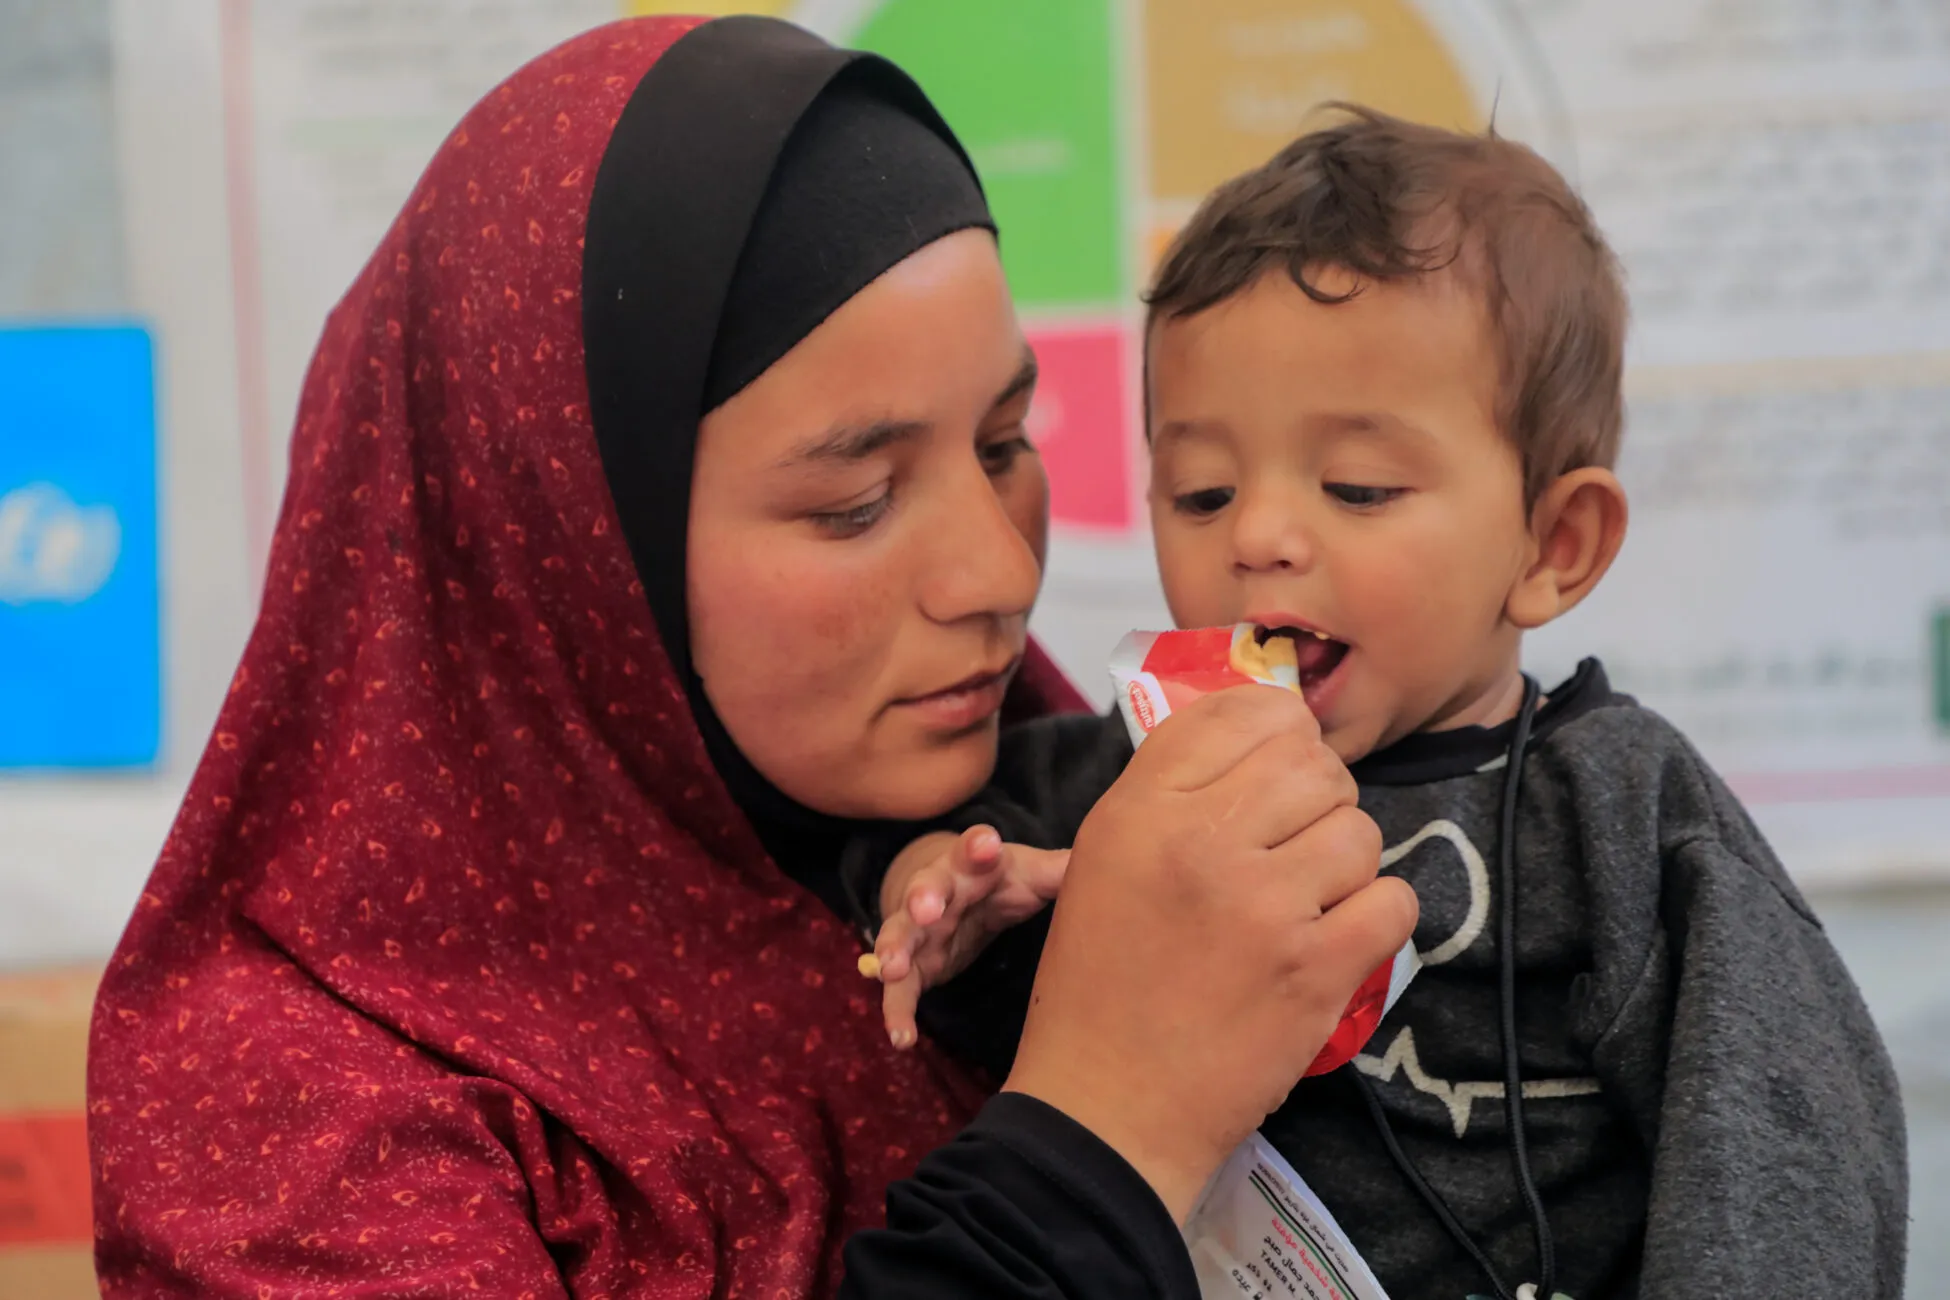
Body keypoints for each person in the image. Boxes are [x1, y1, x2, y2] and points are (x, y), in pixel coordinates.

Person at [85, 17, 1417, 1300]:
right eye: (854, 502)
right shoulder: (292, 1109)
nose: (1003, 576)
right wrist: (1109, 1123)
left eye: (1006, 443)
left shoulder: (1022, 847)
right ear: (566, 551)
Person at [856, 108, 1909, 1300]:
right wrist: (941, 890)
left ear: (1553, 543)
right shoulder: (1128, 778)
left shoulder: (1620, 807)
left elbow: (1784, 1137)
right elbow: (953, 885)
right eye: (1200, 492)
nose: (1256, 536)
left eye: (1357, 485)